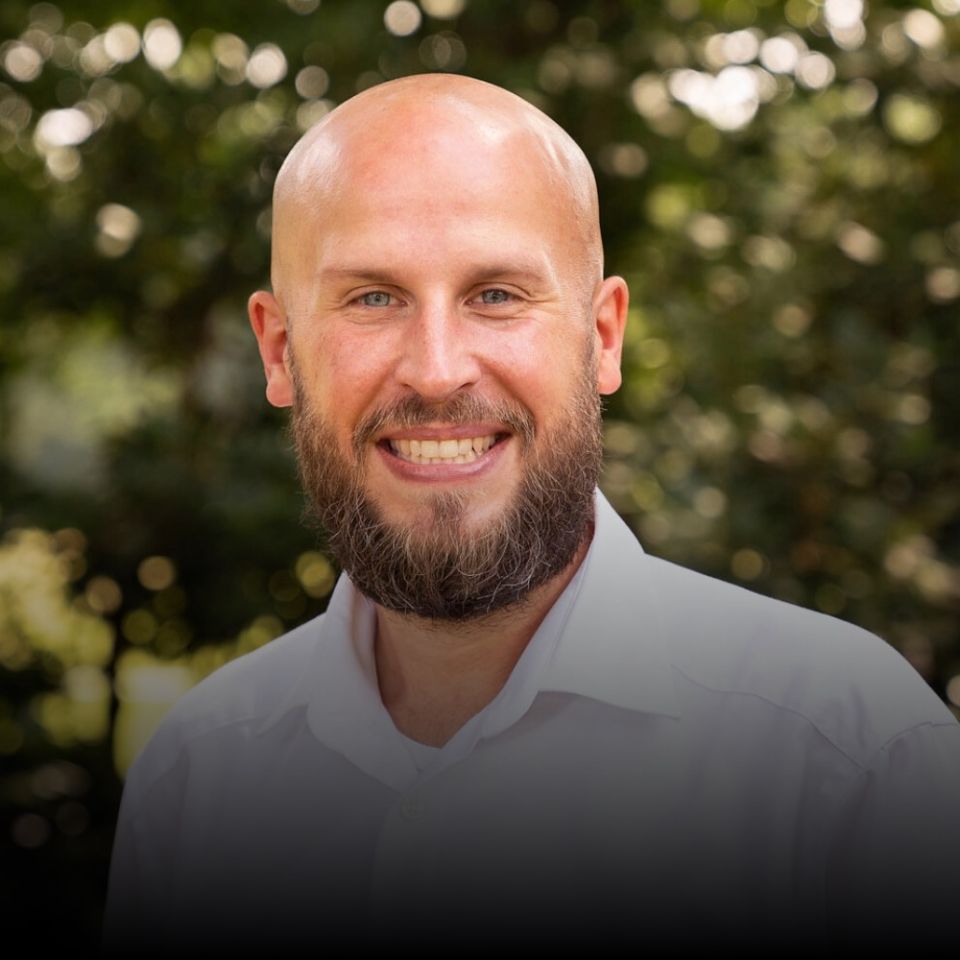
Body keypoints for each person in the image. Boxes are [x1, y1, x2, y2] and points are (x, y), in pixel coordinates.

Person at [103, 73, 960, 952]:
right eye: (373, 298)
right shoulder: (196, 783)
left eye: (498, 295)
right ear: (280, 352)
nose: (437, 370)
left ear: (603, 337)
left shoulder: (853, 760)